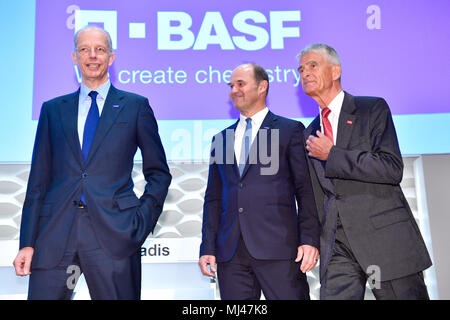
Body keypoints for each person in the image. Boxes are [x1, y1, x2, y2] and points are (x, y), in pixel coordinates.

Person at [12, 26, 171, 300]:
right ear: (75, 57)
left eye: (100, 49)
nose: (92, 56)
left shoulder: (135, 106)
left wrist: (140, 221)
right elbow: (38, 181)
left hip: (115, 234)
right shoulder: (53, 109)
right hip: (55, 234)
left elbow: (159, 173)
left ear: (111, 57)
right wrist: (27, 242)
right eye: (85, 49)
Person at [298, 43, 432, 299]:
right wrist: (312, 240)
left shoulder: (371, 109)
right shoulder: (310, 133)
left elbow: (391, 168)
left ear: (335, 71)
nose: (305, 73)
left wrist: (333, 155)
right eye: (301, 69)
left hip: (384, 241)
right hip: (337, 247)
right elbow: (316, 197)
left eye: (313, 65)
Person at [198, 63, 320, 300]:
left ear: (262, 86)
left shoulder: (289, 130)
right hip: (231, 255)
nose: (234, 90)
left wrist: (309, 240)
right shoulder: (221, 139)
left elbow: (305, 191)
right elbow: (213, 198)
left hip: (280, 250)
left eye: (240, 84)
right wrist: (208, 248)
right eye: (231, 86)